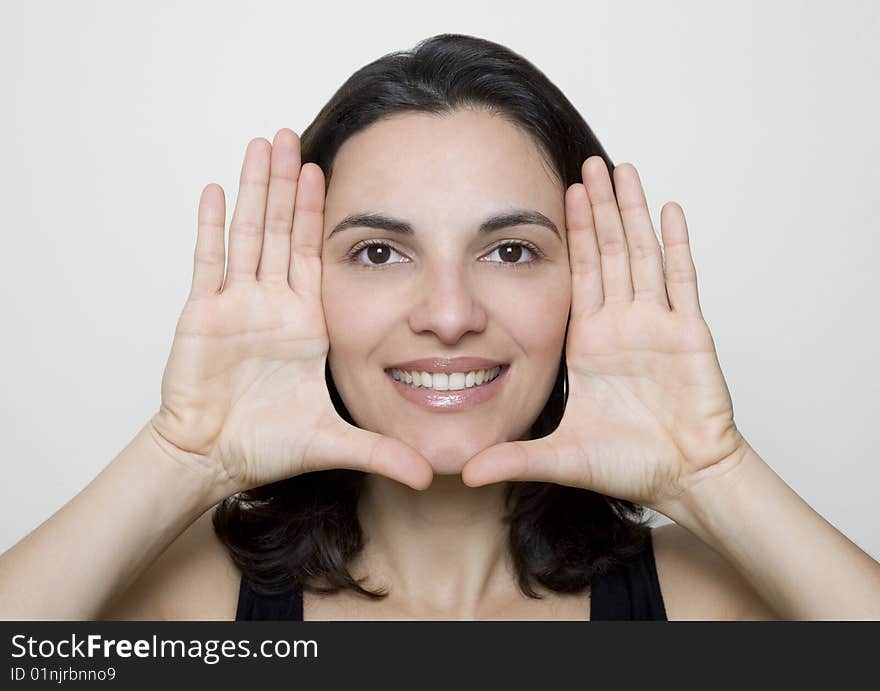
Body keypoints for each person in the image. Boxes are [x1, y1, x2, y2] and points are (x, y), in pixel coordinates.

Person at [1, 34, 877, 621]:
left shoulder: (700, 604)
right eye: (380, 253)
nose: (451, 315)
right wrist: (182, 455)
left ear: (589, 282)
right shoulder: (194, 605)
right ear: (305, 285)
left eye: (511, 252)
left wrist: (712, 470)